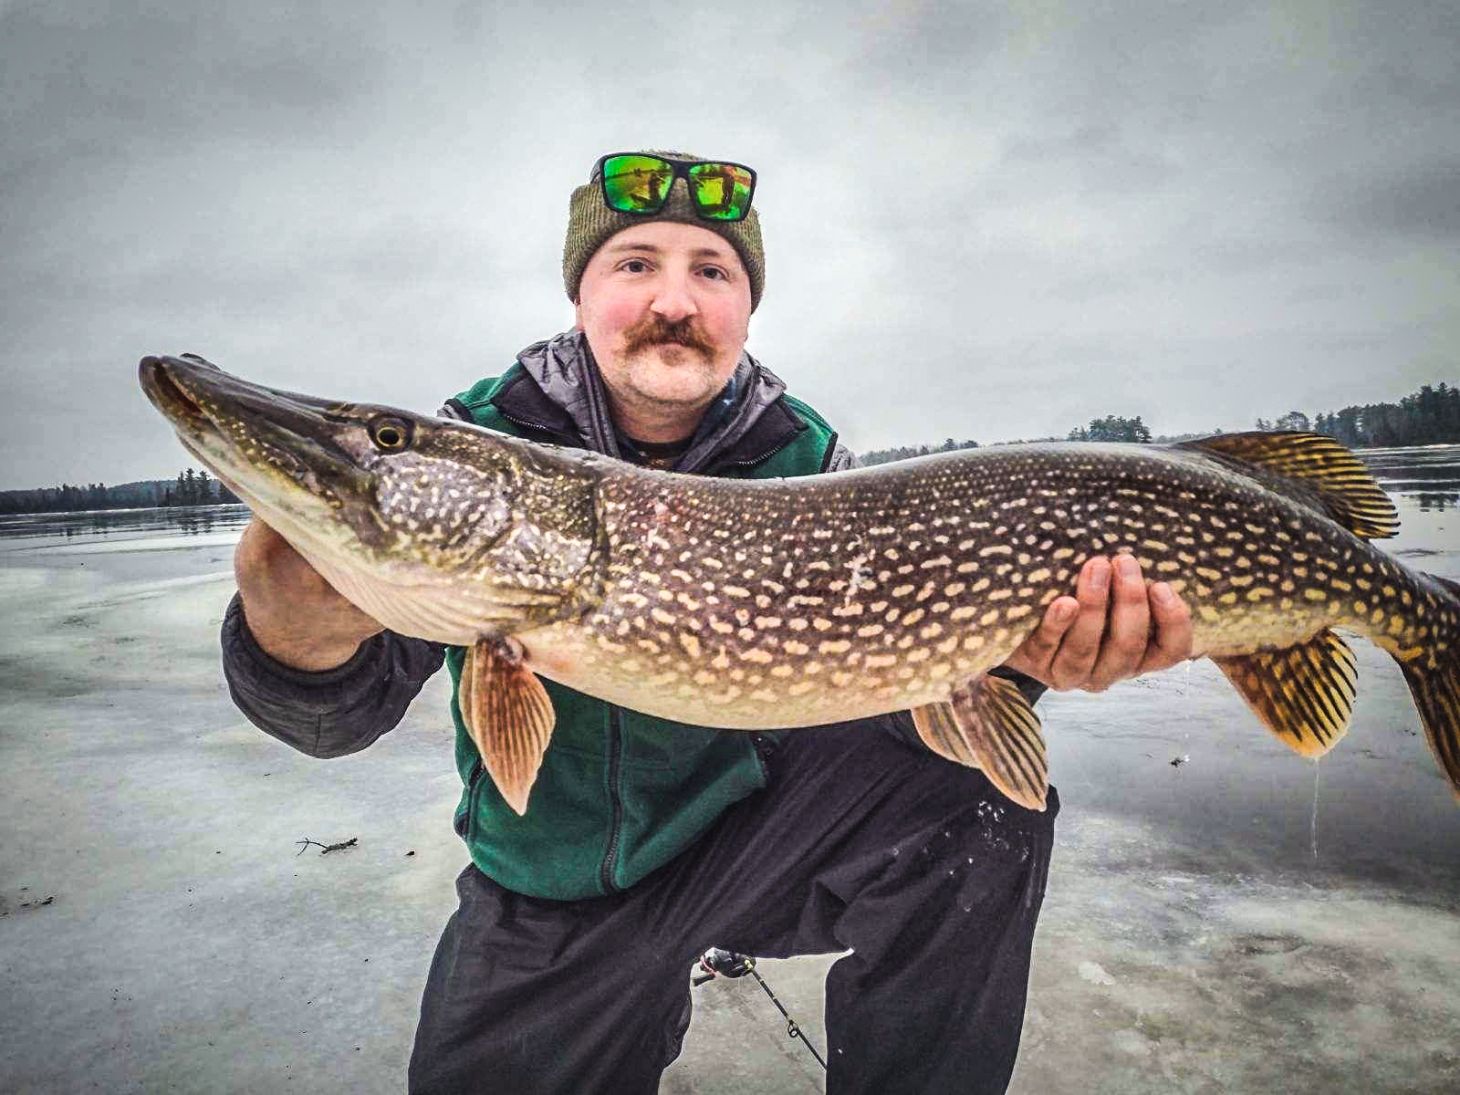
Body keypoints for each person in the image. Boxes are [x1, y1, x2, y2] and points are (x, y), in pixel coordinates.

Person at [222, 150, 1194, 1094]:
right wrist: (291, 634)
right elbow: (331, 719)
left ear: (744, 305)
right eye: (634, 263)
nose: (674, 301)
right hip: (549, 887)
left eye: (711, 270)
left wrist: (1011, 661)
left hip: (748, 840)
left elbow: (885, 699)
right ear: (580, 296)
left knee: (974, 807)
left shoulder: (804, 460)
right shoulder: (482, 450)